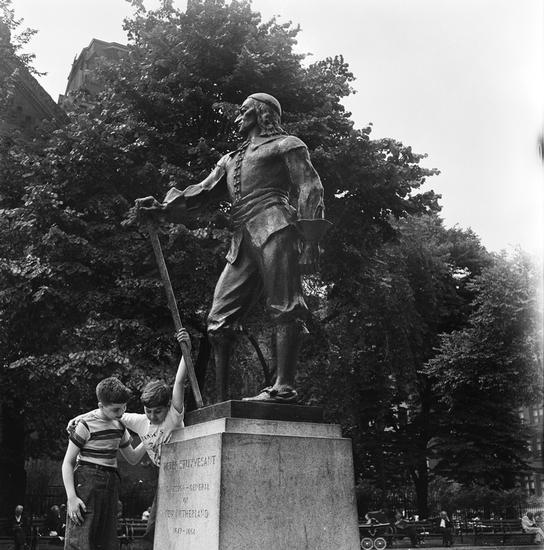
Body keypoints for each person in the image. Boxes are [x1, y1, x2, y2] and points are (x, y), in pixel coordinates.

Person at [136, 92, 329, 403]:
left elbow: (311, 186)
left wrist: (311, 241)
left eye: (243, 111)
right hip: (242, 240)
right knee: (218, 321)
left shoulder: (286, 144)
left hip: (276, 227)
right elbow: (202, 191)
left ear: (262, 113)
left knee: (285, 306)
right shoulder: (230, 159)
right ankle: (222, 401)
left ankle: (284, 387)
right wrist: (162, 208)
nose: (238, 118)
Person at [67, 328, 190, 549]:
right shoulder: (138, 422)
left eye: (158, 412)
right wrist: (80, 416)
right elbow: (108, 412)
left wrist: (186, 349)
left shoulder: (173, 415)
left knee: (176, 523)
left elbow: (180, 382)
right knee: (152, 527)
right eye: (148, 411)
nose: (153, 416)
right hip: (163, 475)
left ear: (168, 407)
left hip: (185, 470)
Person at [62, 377, 146, 550]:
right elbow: (67, 463)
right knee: (81, 538)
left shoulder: (120, 425)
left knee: (106, 540)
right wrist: (71, 498)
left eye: (124, 407)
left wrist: (150, 438)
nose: (121, 412)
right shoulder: (85, 424)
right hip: (87, 481)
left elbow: (132, 458)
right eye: (116, 409)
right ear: (101, 406)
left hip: (111, 482)